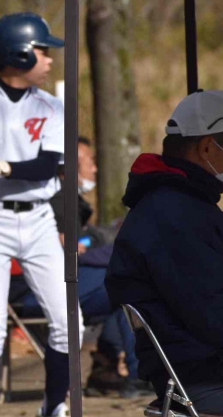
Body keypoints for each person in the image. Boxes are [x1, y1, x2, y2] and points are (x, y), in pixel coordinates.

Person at [0, 12, 83, 417]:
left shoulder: (52, 106)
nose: (49, 60)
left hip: (37, 219)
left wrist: (4, 166)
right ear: (19, 54)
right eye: (42, 51)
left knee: (71, 324)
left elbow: (48, 167)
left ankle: (53, 406)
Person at [106, 90, 223, 415]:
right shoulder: (175, 216)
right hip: (206, 378)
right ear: (208, 147)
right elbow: (217, 316)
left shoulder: (183, 206)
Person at [44, 137, 151, 398]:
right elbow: (66, 249)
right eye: (89, 162)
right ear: (68, 169)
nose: (95, 168)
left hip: (66, 281)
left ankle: (108, 370)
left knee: (120, 291)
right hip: (49, 287)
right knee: (127, 282)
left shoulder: (69, 200)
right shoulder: (58, 200)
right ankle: (136, 375)